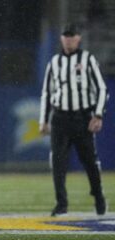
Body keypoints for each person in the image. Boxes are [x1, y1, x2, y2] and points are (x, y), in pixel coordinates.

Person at [39, 23, 108, 216]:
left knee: (90, 162)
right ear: (61, 38)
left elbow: (102, 89)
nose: (68, 39)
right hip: (60, 119)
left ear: (79, 38)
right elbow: (47, 92)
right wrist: (43, 120)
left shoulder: (88, 59)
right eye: (65, 36)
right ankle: (61, 203)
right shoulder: (54, 62)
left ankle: (99, 196)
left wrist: (98, 114)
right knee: (58, 163)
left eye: (72, 36)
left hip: (82, 118)